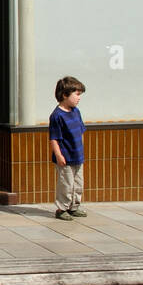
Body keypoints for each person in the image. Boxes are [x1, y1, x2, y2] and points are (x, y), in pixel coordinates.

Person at [49, 76, 87, 221]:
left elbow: (81, 131)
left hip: (78, 156)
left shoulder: (76, 112)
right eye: (76, 94)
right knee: (66, 184)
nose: (79, 98)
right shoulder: (57, 116)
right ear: (65, 95)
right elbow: (54, 138)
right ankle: (62, 208)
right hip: (65, 158)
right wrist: (59, 155)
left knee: (78, 184)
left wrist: (81, 150)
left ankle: (74, 207)